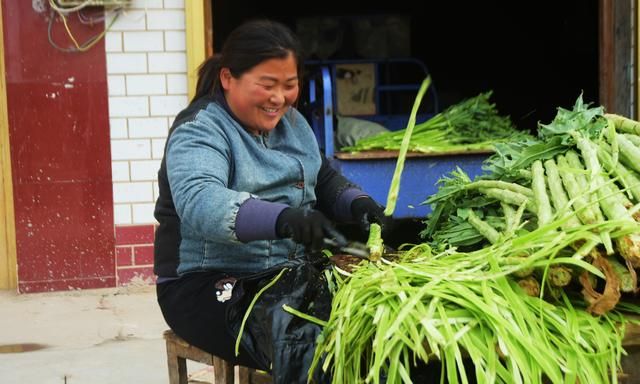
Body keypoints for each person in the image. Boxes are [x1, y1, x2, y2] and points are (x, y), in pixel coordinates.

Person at [153, 19, 391, 383]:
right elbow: (201, 201)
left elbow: (322, 177)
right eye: (267, 85)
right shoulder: (201, 128)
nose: (279, 98)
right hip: (207, 284)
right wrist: (286, 219)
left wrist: (356, 202)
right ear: (228, 78)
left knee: (379, 320)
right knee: (309, 344)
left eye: (290, 85)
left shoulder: (293, 124)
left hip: (288, 274)